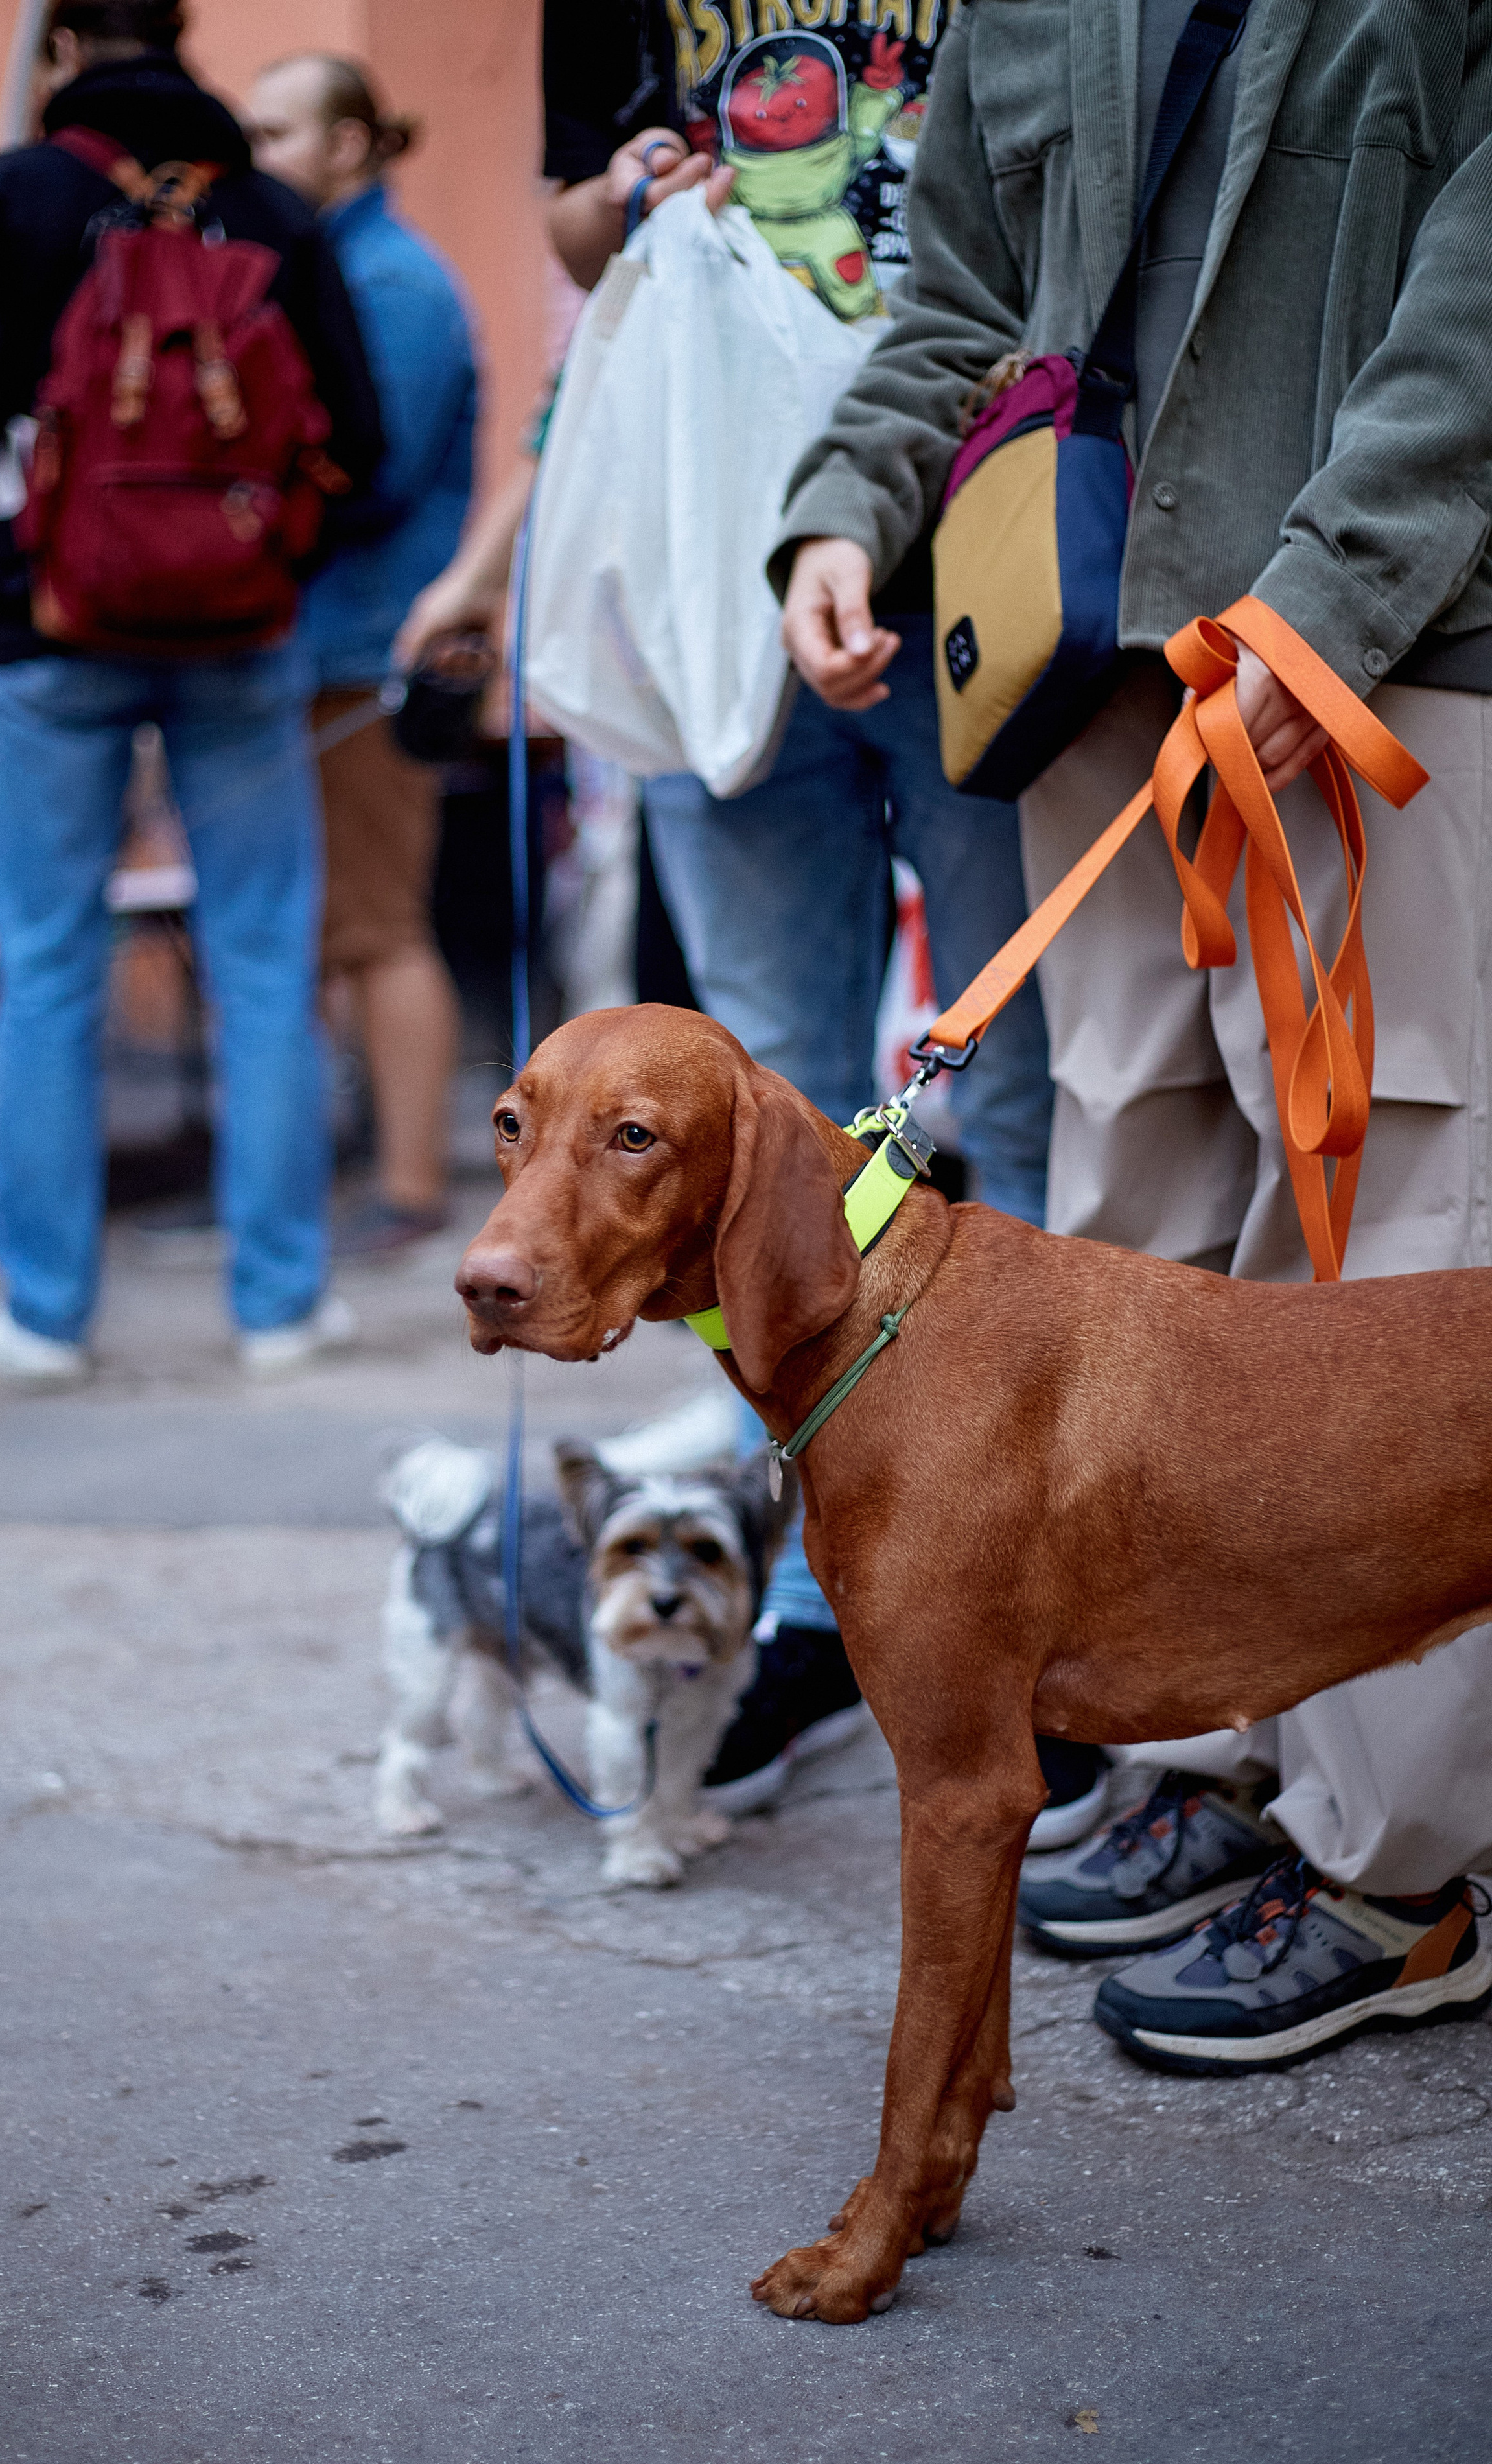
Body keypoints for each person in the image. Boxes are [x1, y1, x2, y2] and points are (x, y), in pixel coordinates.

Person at [776, 0, 1492, 2069]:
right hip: (1084, 655)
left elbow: (1473, 301)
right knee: (1135, 1200)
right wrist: (852, 504)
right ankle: (1209, 1743)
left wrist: (1337, 594)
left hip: (1384, 650)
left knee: (1381, 1225)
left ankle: (1399, 1861)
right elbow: (966, 292)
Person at [539, 4, 1101, 1840]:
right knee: (753, 1144)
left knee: (1011, 1099)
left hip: (992, 553)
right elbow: (566, 215)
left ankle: (1037, 1592)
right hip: (719, 574)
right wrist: (633, 189)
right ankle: (802, 1597)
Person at [0, 0, 384, 1378]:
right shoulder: (272, 211)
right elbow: (362, 436)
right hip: (243, 636)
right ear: (179, 31)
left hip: (54, 634)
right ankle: (278, 1304)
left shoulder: (8, 199)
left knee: (45, 963)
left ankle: (46, 1316)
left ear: (59, 51)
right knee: (264, 963)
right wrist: (260, 557)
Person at [250, 52, 478, 1257]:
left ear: (349, 144)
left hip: (373, 650)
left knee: (380, 923)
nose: (257, 157)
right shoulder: (339, 268)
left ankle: (408, 1191)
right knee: (335, 927)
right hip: (324, 648)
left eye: (276, 134)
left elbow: (373, 475)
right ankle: (360, 1177)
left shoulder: (393, 282)